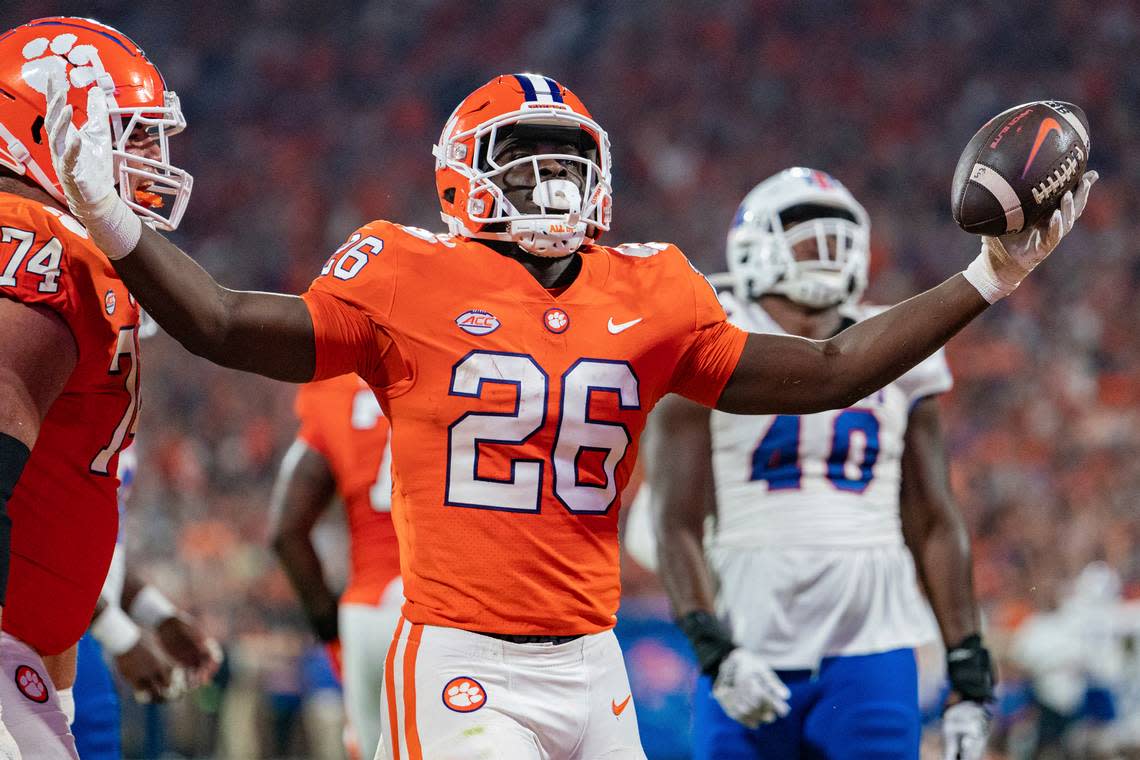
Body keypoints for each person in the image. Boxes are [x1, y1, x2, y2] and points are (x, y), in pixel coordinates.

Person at [45, 70, 1094, 758]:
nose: (555, 178)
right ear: (464, 177)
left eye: (568, 155)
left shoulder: (651, 288)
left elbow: (827, 369)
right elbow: (226, 323)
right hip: (461, 654)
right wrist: (121, 228)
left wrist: (987, 279)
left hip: (592, 659)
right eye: (525, 156)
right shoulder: (402, 272)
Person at [640, 167, 993, 760]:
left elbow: (934, 518)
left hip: (872, 640)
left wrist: (968, 664)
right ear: (752, 245)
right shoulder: (708, 339)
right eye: (805, 235)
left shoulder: (898, 344)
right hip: (749, 631)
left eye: (837, 235)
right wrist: (715, 649)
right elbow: (672, 520)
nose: (826, 251)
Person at [0, 16, 192, 757]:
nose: (149, 157)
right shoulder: (32, 239)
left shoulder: (65, 244)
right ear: (42, 129)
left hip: (34, 656)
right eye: (130, 133)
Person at [271, 373, 402, 760]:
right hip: (444, 609)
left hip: (367, 612)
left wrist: (333, 632)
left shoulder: (337, 390)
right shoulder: (455, 362)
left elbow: (285, 532)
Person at [71, 445, 220, 759]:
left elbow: (101, 556)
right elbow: (27, 535)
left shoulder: (122, 407)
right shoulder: (62, 398)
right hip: (40, 632)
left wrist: (159, 616)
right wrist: (119, 634)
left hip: (79, 626)